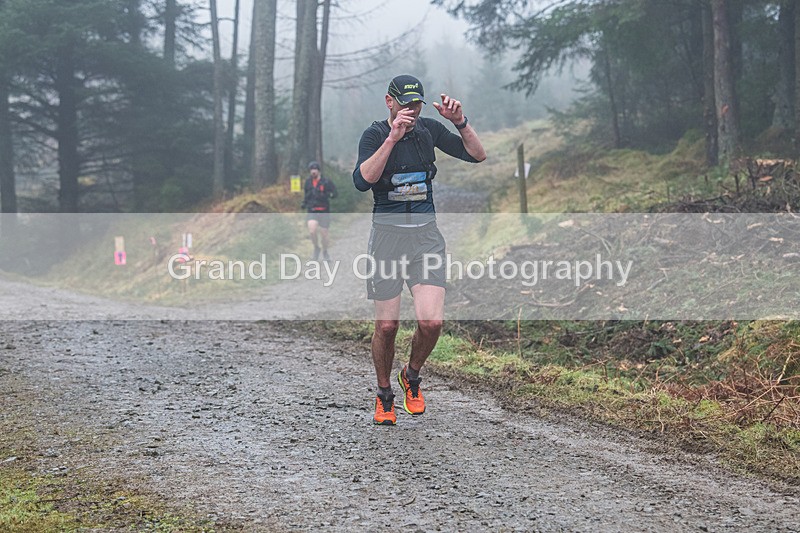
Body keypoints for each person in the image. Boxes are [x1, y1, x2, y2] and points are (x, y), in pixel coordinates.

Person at [352, 74, 486, 425]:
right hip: (387, 239)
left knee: (431, 321)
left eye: (416, 105)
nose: (410, 111)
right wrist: (393, 138)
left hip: (425, 238)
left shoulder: (428, 131)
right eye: (404, 104)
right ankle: (384, 396)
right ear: (389, 102)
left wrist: (460, 122)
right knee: (387, 327)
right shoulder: (374, 135)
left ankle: (411, 377)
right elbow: (362, 180)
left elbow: (477, 155)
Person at [301, 161, 337, 261]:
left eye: (315, 170)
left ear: (318, 171)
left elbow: (334, 193)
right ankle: (316, 247)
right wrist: (304, 203)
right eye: (311, 170)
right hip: (312, 210)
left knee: (324, 235)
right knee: (312, 231)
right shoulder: (308, 182)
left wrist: (328, 195)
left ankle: (325, 251)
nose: (313, 172)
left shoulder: (326, 182)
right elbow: (306, 194)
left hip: (324, 210)